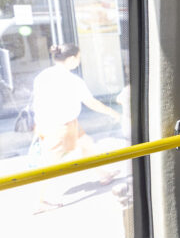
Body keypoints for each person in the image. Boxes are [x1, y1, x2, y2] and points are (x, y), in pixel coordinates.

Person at [31, 43, 122, 207]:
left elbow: (38, 102)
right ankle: (39, 201)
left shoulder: (43, 76)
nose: (79, 61)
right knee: (49, 164)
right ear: (72, 59)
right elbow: (91, 103)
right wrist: (112, 112)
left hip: (56, 123)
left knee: (87, 146)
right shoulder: (72, 80)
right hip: (60, 127)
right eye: (78, 58)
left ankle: (103, 174)